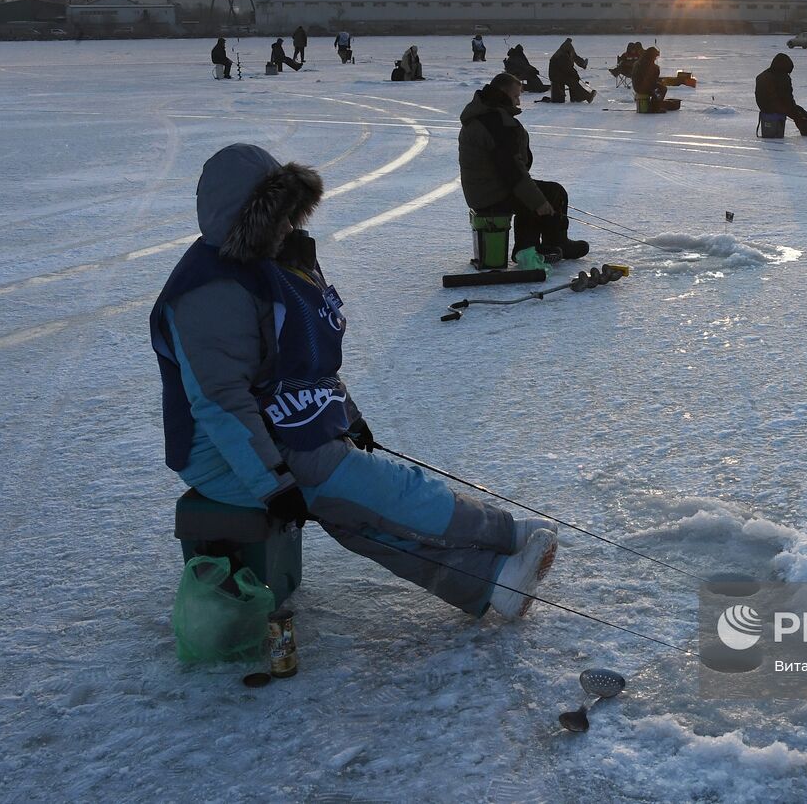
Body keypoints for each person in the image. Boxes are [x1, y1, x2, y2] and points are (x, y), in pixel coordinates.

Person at [150, 144, 559, 620]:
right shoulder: (211, 293)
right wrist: (272, 484)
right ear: (247, 220)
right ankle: (507, 534)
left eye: (289, 213)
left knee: (352, 510)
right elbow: (220, 403)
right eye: (276, 216)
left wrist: (348, 417)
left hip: (269, 424)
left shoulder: (264, 267)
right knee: (371, 484)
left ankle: (489, 582)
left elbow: (306, 366)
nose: (288, 226)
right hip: (221, 453)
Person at [458, 73, 590, 262]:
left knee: (549, 192)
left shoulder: (486, 114)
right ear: (503, 93)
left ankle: (548, 244)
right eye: (516, 96)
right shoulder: (495, 122)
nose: (518, 102)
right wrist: (539, 202)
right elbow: (512, 171)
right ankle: (530, 248)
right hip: (491, 193)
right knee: (543, 196)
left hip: (484, 189)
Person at [755, 53, 807, 136]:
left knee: (794, 110)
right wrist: (793, 108)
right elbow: (787, 98)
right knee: (797, 110)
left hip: (763, 107)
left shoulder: (762, 75)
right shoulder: (783, 77)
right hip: (774, 106)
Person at [547, 38, 595, 103]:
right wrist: (575, 74)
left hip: (559, 74)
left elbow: (568, 67)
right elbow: (567, 69)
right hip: (556, 76)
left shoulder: (564, 52)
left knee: (572, 79)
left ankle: (576, 97)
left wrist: (575, 74)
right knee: (572, 81)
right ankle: (586, 96)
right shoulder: (562, 56)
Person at [632, 46, 667, 112]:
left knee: (657, 88)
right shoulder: (646, 63)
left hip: (638, 85)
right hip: (641, 87)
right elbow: (649, 80)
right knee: (662, 89)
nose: (655, 59)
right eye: (655, 57)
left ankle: (654, 105)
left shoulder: (642, 60)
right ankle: (655, 108)